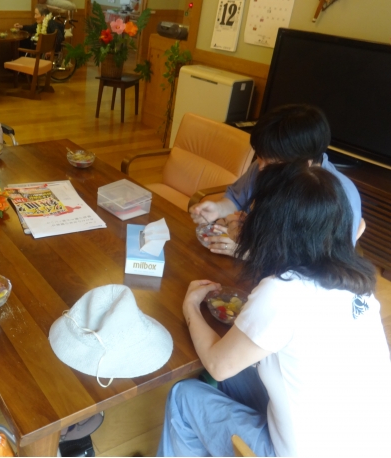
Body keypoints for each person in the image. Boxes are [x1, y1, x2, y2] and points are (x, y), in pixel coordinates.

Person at [158, 162, 391, 457]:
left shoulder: (281, 291)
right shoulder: (360, 285)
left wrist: (190, 306)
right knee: (235, 374)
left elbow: (217, 364)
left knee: (183, 395)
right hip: (373, 445)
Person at [189, 104, 364, 255]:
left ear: (305, 164)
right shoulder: (265, 164)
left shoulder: (336, 197)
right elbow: (236, 199)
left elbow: (320, 264)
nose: (261, 168)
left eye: (271, 163)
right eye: (259, 156)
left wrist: (248, 253)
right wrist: (219, 209)